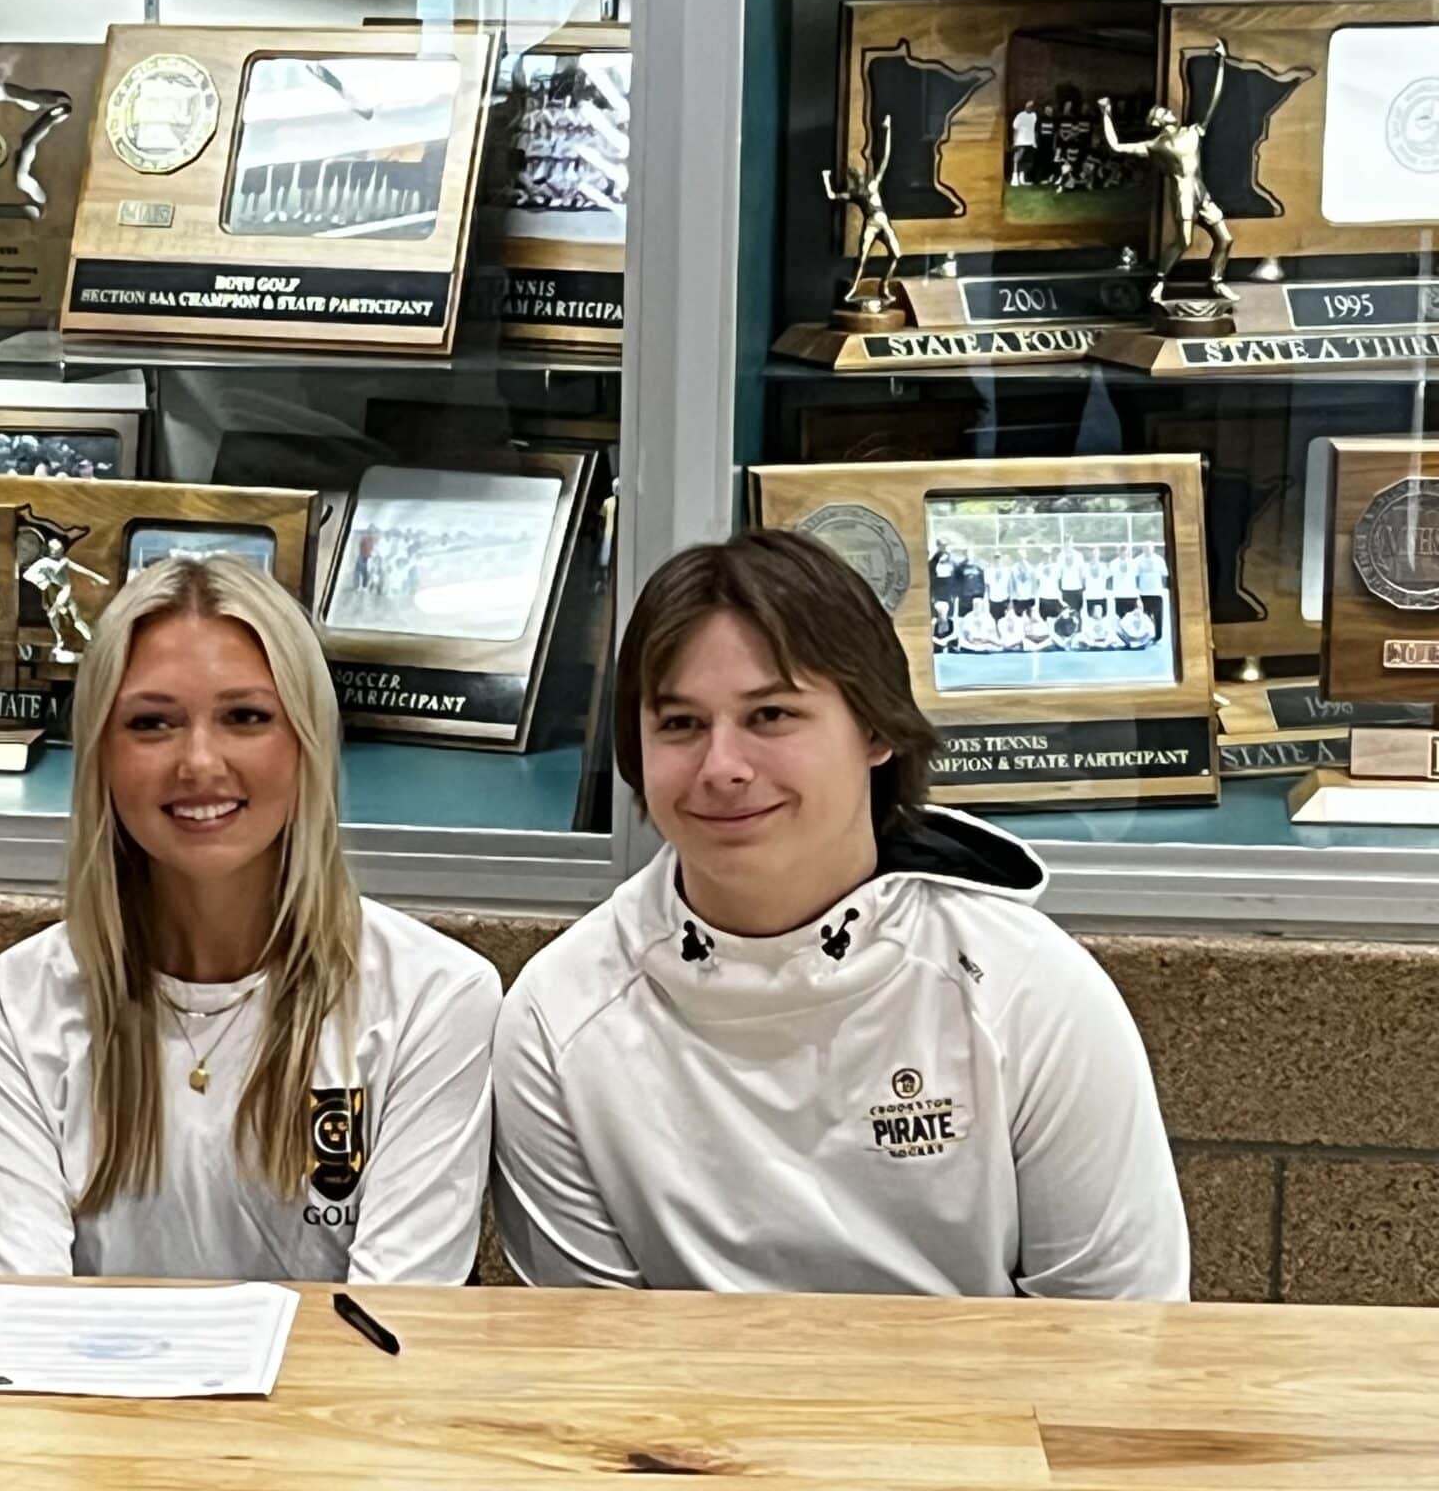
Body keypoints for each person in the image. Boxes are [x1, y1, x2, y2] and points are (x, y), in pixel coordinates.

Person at [492, 530, 1189, 1299]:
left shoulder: (1028, 989)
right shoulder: (559, 1017)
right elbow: (590, 1349)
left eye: (770, 715)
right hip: (667, 1385)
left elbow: (1118, 1334)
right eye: (681, 724)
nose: (723, 767)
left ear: (876, 729)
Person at [0, 553, 501, 1282]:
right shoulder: (10, 1012)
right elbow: (19, 1316)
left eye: (246, 717)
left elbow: (395, 1321)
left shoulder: (434, 998)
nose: (200, 762)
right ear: (100, 757)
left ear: (306, 741)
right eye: (152, 723)